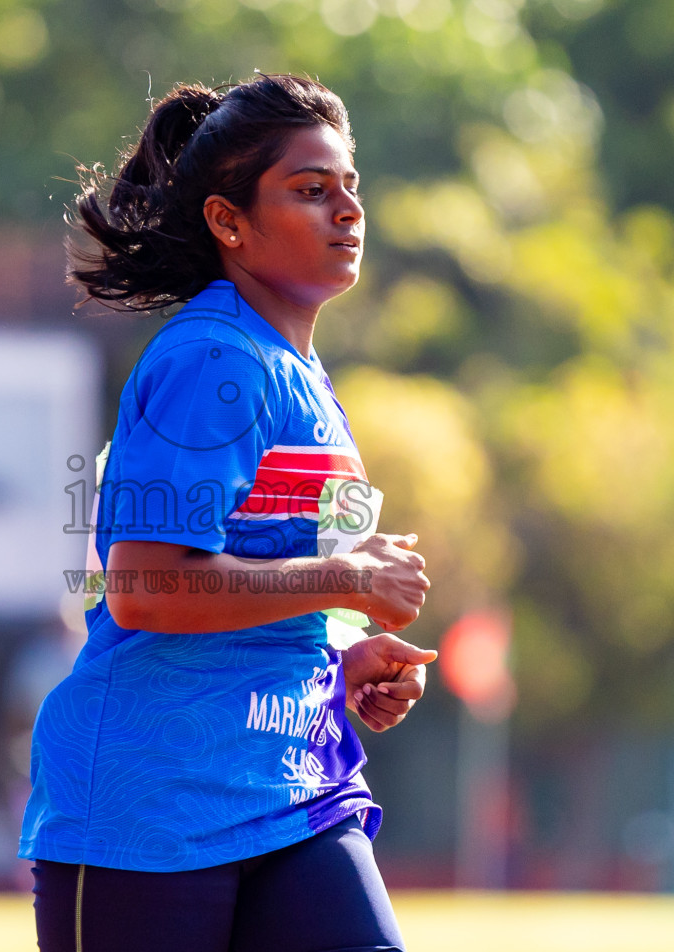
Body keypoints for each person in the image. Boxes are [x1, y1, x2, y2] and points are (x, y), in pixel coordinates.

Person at [21, 74, 436, 952]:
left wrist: (341, 655)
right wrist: (351, 576)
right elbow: (145, 587)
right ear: (228, 221)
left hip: (293, 791)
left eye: (351, 186)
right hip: (154, 813)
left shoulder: (301, 375)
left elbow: (262, 577)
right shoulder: (215, 359)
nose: (348, 210)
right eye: (311, 190)